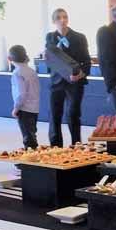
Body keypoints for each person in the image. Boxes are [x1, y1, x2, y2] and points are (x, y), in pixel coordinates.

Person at [45, 8, 91, 147]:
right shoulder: (50, 37)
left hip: (74, 82)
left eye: (65, 17)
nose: (63, 20)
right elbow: (50, 58)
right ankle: (55, 147)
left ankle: (76, 146)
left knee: (73, 114)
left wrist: (80, 75)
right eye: (59, 18)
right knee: (54, 115)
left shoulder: (79, 37)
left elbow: (86, 61)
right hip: (56, 81)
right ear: (54, 21)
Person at [8, 45, 40, 150]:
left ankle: (32, 156)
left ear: (9, 58)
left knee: (28, 137)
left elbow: (21, 94)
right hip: (34, 107)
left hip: (24, 108)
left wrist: (16, 108)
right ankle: (34, 152)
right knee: (32, 133)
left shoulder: (17, 73)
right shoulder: (31, 71)